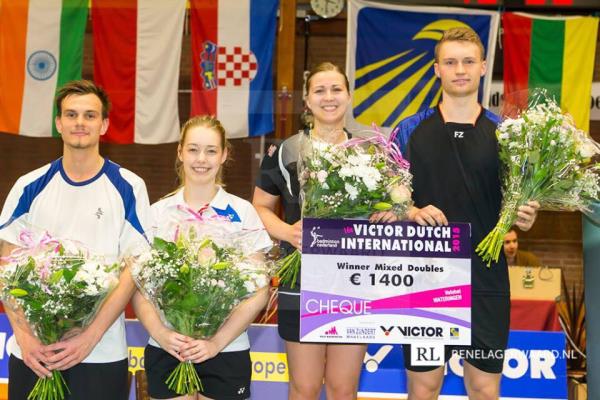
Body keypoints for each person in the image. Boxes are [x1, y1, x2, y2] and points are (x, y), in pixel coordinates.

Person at [393, 28, 540, 399]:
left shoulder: (507, 134)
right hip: (425, 280)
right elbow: (385, 201)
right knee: (424, 387)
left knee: (485, 388)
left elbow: (520, 201)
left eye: (468, 61)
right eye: (451, 62)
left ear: (483, 67)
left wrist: (526, 214)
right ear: (437, 69)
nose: (460, 70)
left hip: (486, 281)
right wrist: (410, 210)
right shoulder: (408, 131)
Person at [0, 80, 151, 399]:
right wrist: (24, 336)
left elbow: (134, 269)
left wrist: (90, 336)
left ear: (104, 124)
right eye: (71, 114)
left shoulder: (129, 187)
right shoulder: (29, 185)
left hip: (100, 353)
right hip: (33, 354)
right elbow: (6, 265)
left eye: (89, 115)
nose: (80, 122)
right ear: (58, 123)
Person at [253, 62, 392, 400]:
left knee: (344, 388)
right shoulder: (285, 150)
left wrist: (392, 213)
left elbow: (388, 206)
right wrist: (287, 232)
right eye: (319, 90)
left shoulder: (370, 151)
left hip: (354, 281)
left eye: (336, 89)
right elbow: (259, 207)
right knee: (305, 387)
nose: (328, 97)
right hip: (301, 280)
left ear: (348, 96)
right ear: (307, 100)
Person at [132, 115, 272, 400]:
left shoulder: (242, 212)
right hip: (169, 348)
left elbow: (260, 291)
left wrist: (216, 343)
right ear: (180, 152)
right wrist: (162, 334)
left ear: (223, 155)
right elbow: (138, 288)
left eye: (211, 151)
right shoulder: (157, 214)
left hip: (227, 348)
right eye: (193, 149)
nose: (201, 159)